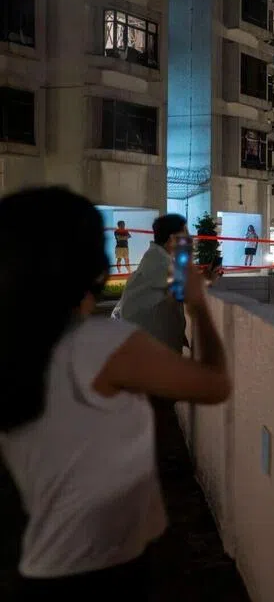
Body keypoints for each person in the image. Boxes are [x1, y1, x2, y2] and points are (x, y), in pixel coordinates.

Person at [0, 187, 231, 599]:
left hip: (39, 563)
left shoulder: (17, 344)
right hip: (103, 569)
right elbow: (214, 384)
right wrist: (197, 307)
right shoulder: (99, 343)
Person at [116, 214, 192, 352]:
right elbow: (191, 293)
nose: (190, 240)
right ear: (172, 239)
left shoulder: (157, 258)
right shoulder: (160, 263)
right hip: (148, 351)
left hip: (147, 345)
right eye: (186, 235)